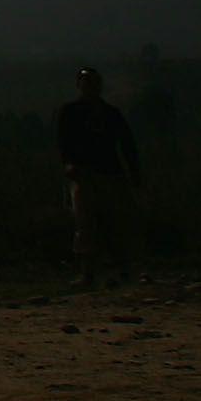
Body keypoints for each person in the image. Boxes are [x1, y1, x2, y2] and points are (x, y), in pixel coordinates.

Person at [54, 67, 141, 289]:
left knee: (113, 225)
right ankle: (90, 274)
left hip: (108, 174)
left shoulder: (109, 113)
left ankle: (119, 271)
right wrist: (68, 165)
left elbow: (128, 145)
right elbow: (64, 143)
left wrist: (134, 173)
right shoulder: (73, 112)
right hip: (85, 175)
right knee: (86, 224)